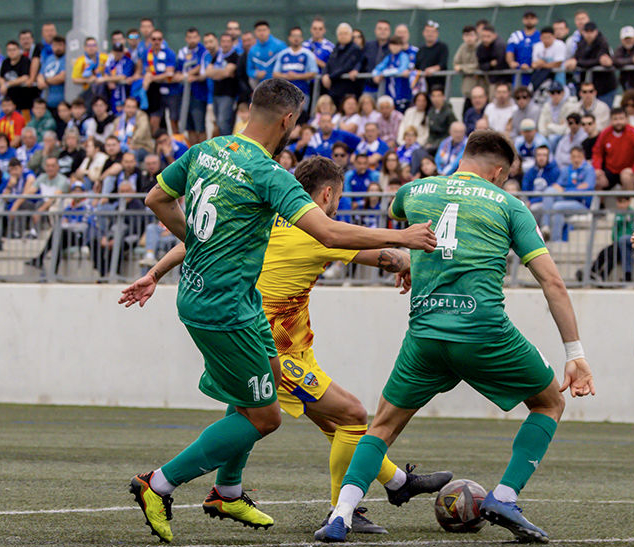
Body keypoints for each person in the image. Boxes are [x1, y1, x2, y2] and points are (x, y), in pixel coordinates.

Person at [125, 78, 436, 543]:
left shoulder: (208, 149)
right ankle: (159, 483)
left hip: (223, 301)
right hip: (226, 310)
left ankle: (228, 491)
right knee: (266, 416)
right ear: (289, 120)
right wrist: (402, 236)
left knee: (253, 396)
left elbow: (156, 199)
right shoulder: (269, 176)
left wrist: (187, 253)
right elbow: (328, 234)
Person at [314, 129, 595, 544]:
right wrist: (576, 353)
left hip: (425, 334)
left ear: (463, 157)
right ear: (498, 172)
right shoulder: (510, 206)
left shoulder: (414, 191)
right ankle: (504, 496)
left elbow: (400, 215)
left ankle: (340, 516)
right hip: (484, 331)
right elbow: (552, 281)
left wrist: (412, 261)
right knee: (549, 402)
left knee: (382, 427)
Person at [593, 108, 634, 191]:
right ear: (611, 120)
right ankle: (600, 204)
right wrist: (597, 168)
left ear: (626, 119)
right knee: (597, 179)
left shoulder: (633, 132)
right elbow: (597, 152)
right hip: (611, 170)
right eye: (615, 119)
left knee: (626, 177)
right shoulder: (605, 133)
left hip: (630, 170)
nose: (618, 122)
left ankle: (627, 202)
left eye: (621, 118)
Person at [506, 11, 541, 86]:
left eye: (532, 18)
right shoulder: (516, 35)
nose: (529, 20)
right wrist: (511, 62)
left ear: (536, 20)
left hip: (536, 73)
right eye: (527, 18)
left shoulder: (540, 36)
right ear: (523, 20)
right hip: (519, 73)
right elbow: (509, 51)